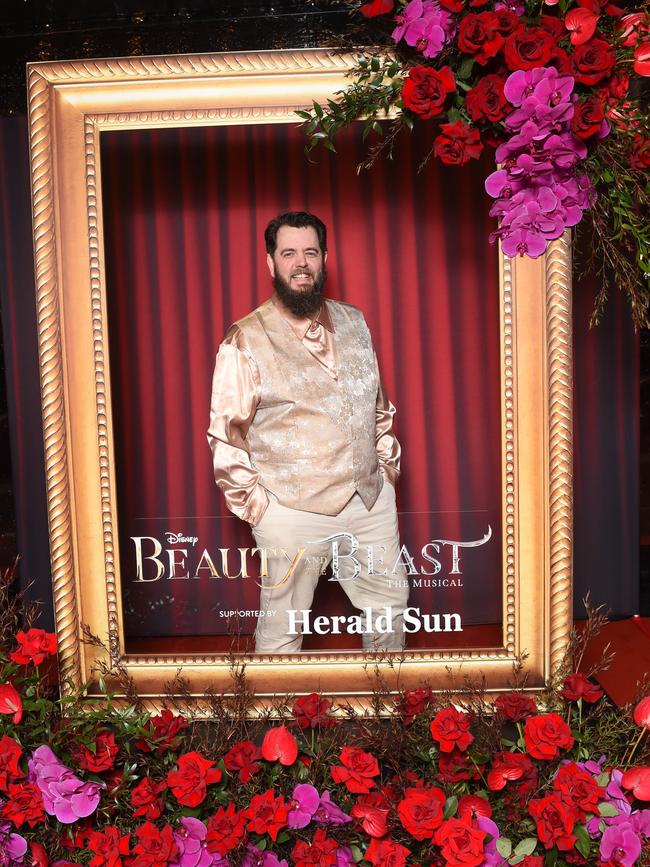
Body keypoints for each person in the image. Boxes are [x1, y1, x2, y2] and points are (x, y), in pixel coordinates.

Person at [207, 211, 408, 653]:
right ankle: (276, 722)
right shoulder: (244, 338)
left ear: (324, 259)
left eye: (310, 252)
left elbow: (378, 407)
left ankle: (390, 713)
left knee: (390, 611)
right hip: (290, 510)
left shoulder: (355, 321)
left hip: (368, 501)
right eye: (289, 253)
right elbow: (226, 434)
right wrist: (263, 511)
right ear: (270, 263)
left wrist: (386, 475)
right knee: (283, 630)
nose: (301, 263)